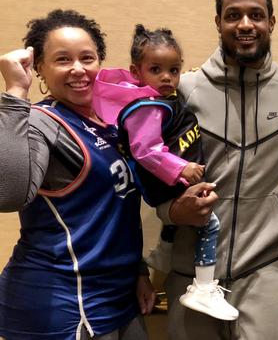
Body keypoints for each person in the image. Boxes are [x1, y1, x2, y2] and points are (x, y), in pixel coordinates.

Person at [154, 0, 278, 339]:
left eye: (256, 15)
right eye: (232, 15)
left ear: (272, 21)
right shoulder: (183, 90)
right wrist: (171, 212)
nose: (245, 25)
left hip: (266, 270)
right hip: (191, 274)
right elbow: (145, 167)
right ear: (218, 22)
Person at [0, 9, 152, 339]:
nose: (78, 69)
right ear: (39, 67)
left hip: (117, 296)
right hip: (62, 304)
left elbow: (120, 209)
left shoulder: (112, 122)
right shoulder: (43, 122)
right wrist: (15, 92)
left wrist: (139, 269)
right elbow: (7, 194)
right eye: (62, 60)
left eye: (87, 58)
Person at [92, 24, 238, 321]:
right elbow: (146, 150)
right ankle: (204, 286)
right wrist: (181, 167)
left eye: (174, 70)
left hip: (172, 186)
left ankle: (164, 250)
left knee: (180, 223)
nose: (167, 78)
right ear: (136, 72)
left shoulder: (161, 101)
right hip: (170, 183)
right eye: (156, 70)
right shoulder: (145, 107)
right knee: (209, 225)